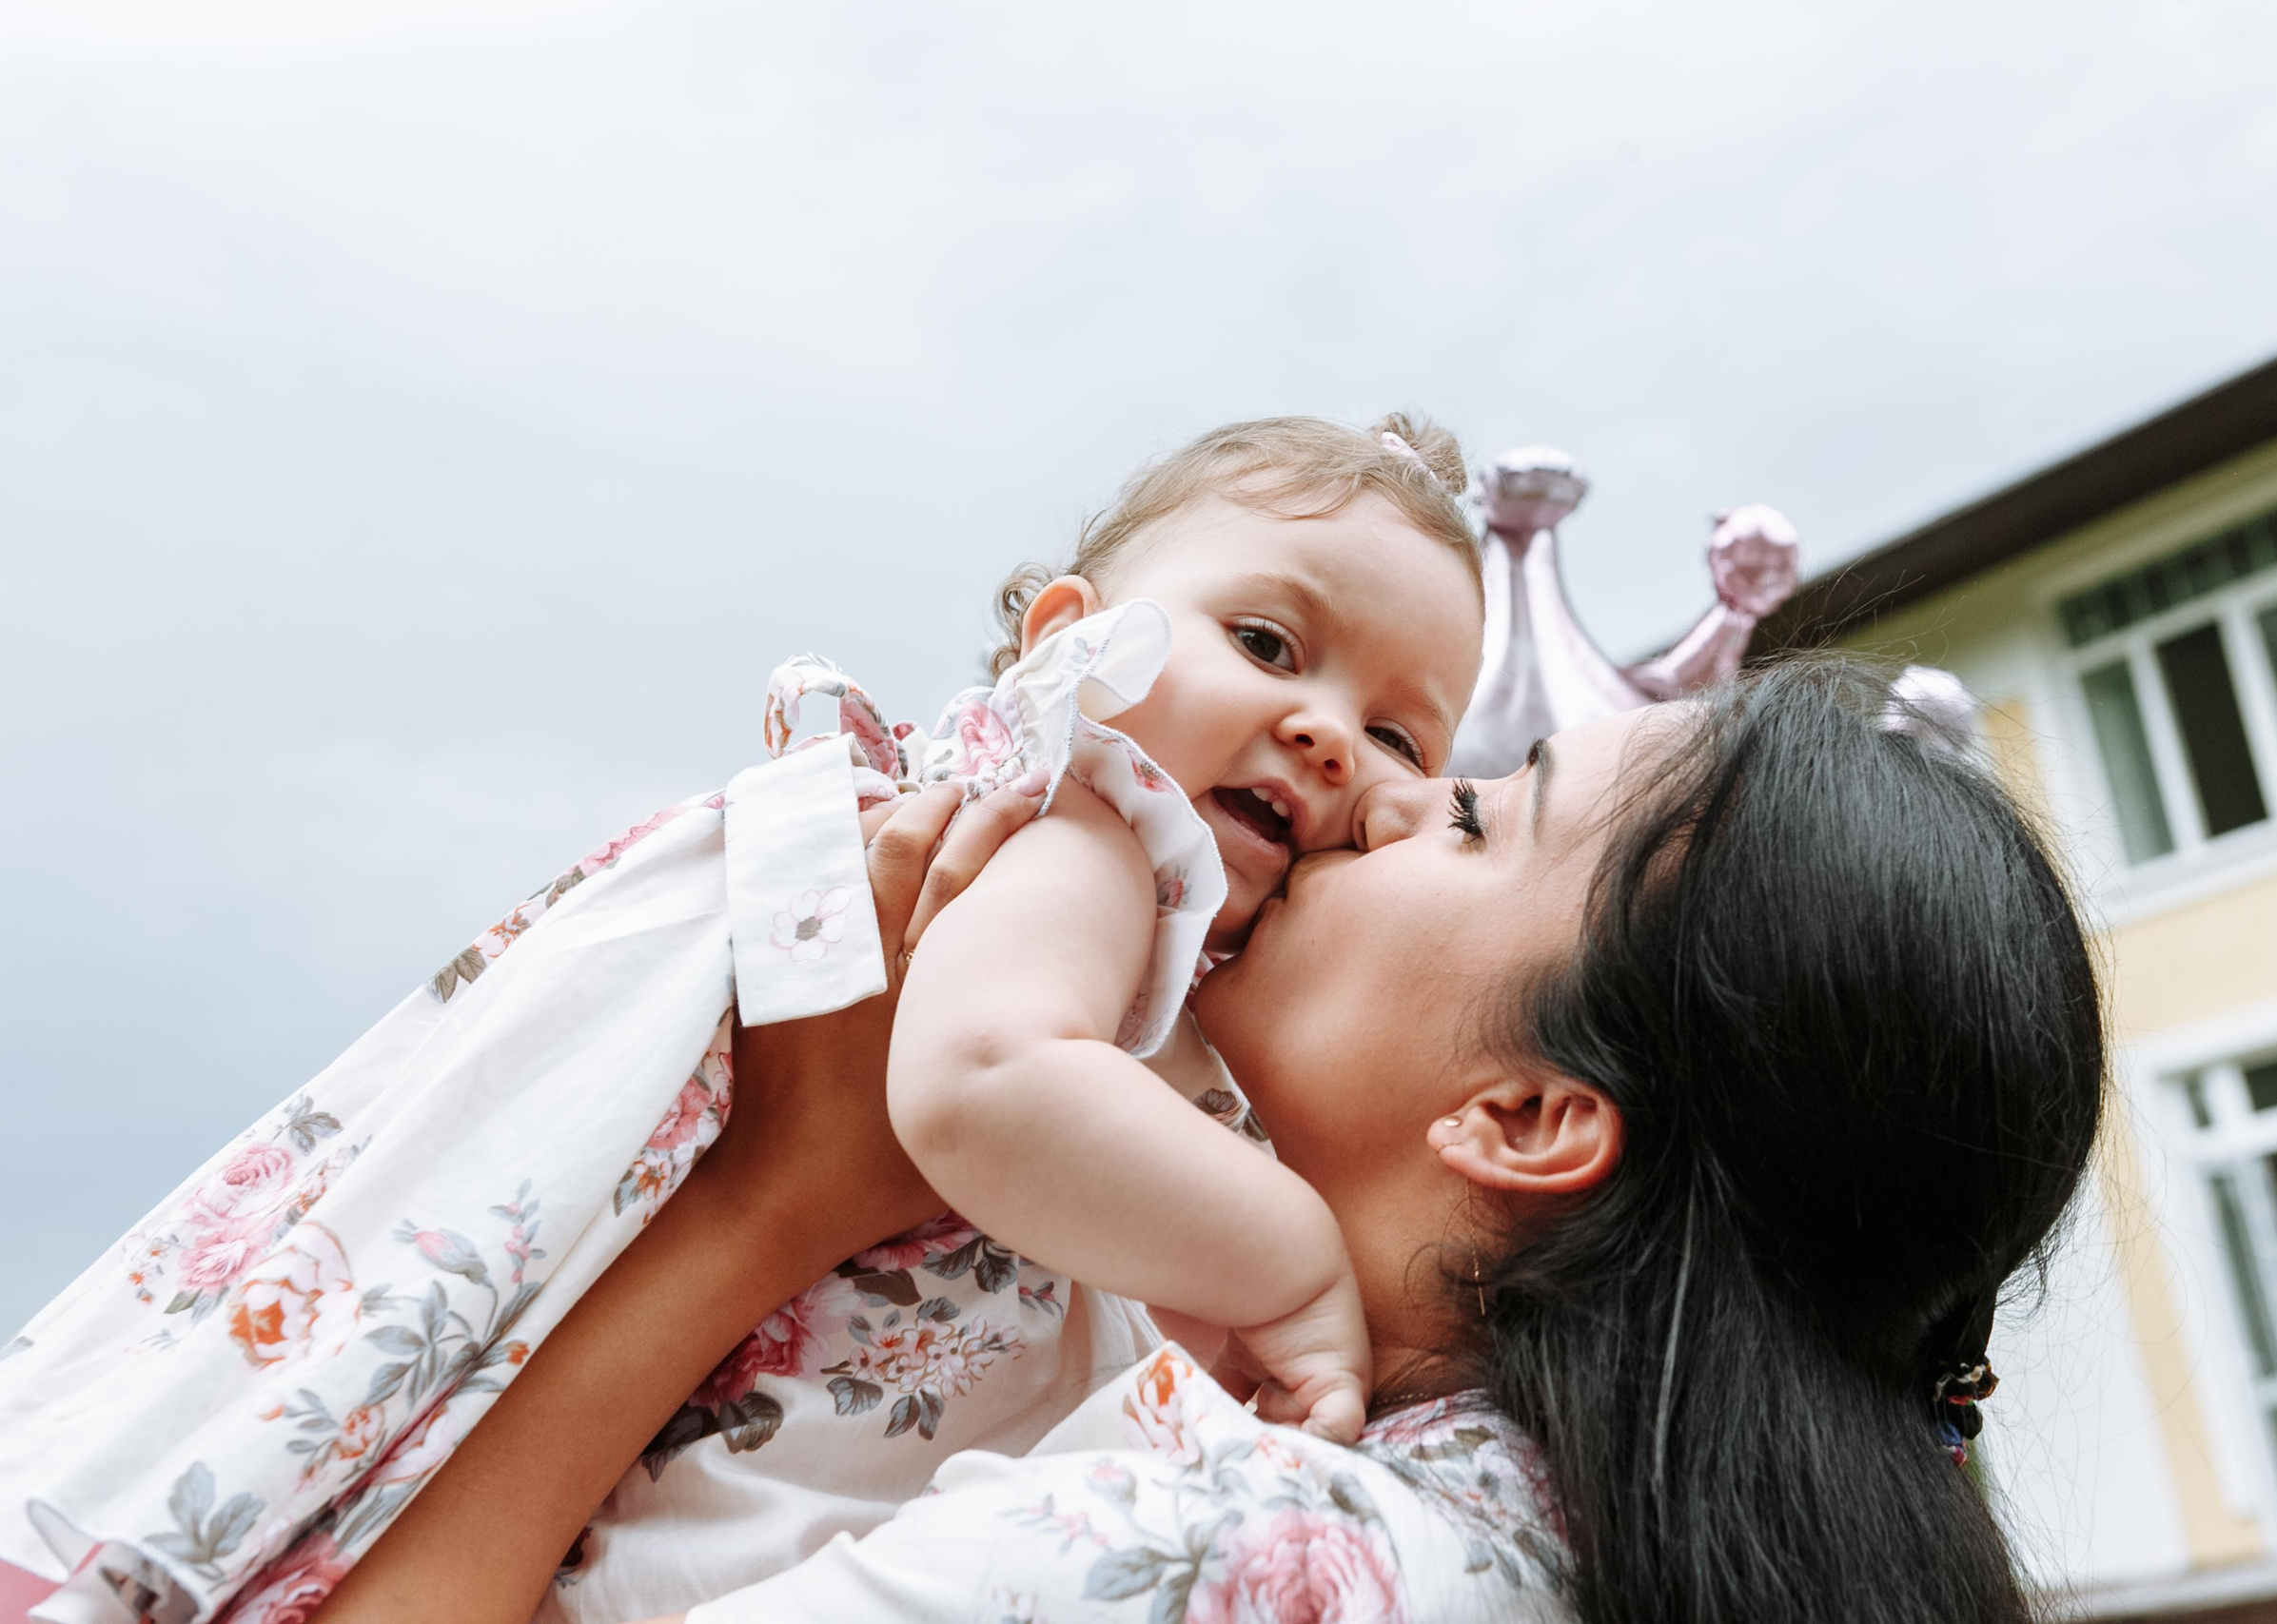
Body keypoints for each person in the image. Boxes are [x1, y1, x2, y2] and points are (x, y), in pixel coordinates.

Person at [0, 415, 1486, 1624]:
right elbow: (989, 1077)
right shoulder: (1097, 827)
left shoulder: (1160, 945)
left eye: (1398, 734)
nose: (1327, 735)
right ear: (1071, 643)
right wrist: (1290, 1267)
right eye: (1269, 644)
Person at [317, 657, 2108, 1624]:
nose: (1379, 798)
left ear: (1529, 1118)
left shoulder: (1250, 1561)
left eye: (1476, 819)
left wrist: (768, 1199)